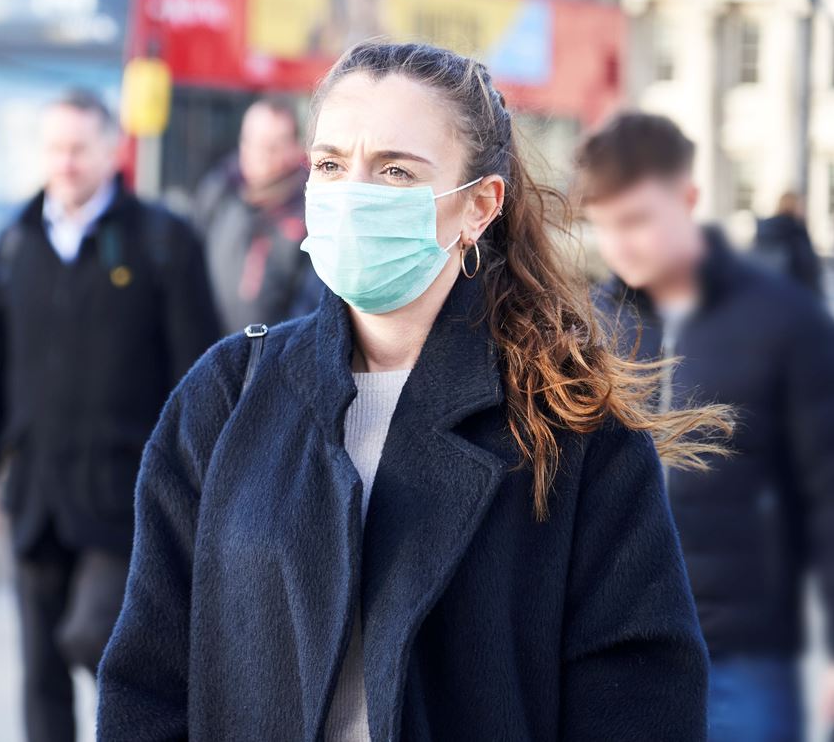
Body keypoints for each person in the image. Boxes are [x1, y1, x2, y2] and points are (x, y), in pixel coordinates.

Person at [97, 42, 725, 740]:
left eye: (394, 171)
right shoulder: (226, 395)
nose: (352, 195)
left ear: (478, 207)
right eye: (331, 165)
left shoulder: (570, 425)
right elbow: (148, 680)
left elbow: (638, 698)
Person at [0, 89, 219, 742]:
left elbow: (202, 372)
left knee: (99, 637)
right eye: (54, 149)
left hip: (128, 496)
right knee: (40, 671)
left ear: (111, 151)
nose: (65, 163)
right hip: (37, 491)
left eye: (78, 149)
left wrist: (201, 480)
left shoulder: (162, 241)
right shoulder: (16, 244)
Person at [576, 112, 834, 742]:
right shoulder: (586, 331)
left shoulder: (781, 320)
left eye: (636, 220)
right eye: (603, 225)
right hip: (615, 651)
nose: (619, 244)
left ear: (687, 200)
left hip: (741, 656)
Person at [194, 97, 321, 333]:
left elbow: (310, 306)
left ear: (295, 149)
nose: (259, 155)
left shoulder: (310, 211)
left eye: (272, 146)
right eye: (251, 142)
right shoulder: (220, 192)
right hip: (214, 351)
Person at [753, 191, 824, 296]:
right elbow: (807, 271)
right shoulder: (795, 233)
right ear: (796, 207)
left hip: (768, 297)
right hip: (795, 298)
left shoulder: (765, 232)